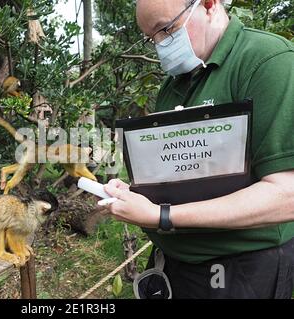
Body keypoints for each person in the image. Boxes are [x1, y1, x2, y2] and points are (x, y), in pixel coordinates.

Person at [103, 0, 294, 298]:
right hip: (174, 266)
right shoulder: (174, 84)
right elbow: (185, 173)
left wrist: (161, 216)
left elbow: (287, 195)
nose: (160, 45)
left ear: (208, 5)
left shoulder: (267, 60)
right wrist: (135, 193)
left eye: (166, 30)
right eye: (151, 38)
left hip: (241, 270)